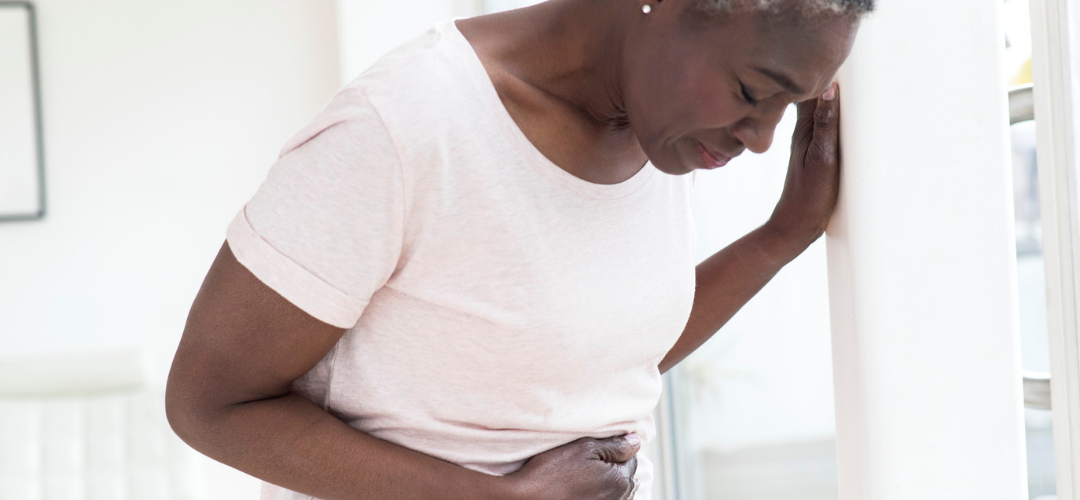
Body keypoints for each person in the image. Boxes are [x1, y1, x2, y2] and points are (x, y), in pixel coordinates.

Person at [165, 0, 872, 498]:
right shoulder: (401, 129)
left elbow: (586, 359)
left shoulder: (656, 126)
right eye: (754, 91)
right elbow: (210, 403)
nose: (762, 137)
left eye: (791, 107)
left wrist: (783, 237)